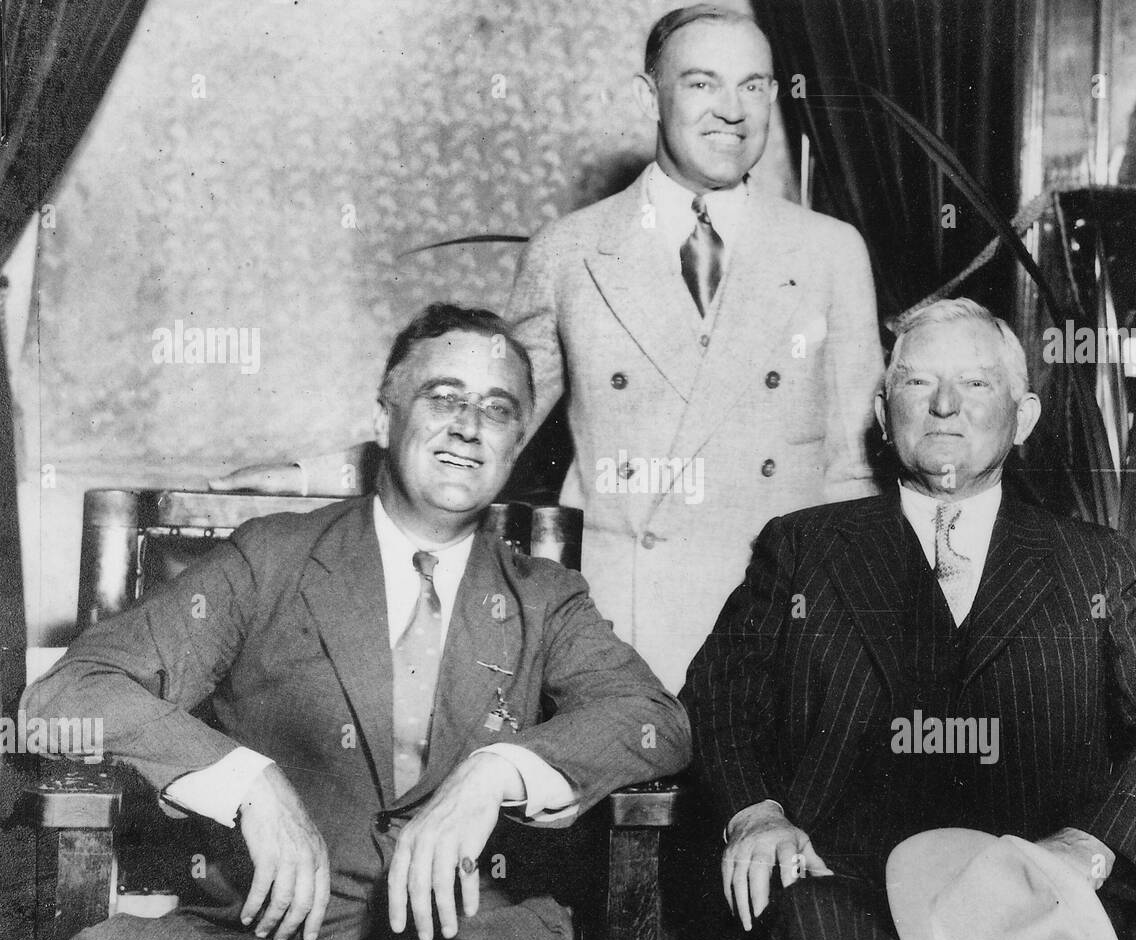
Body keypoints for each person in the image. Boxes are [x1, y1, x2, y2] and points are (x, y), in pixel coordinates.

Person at [212, 5, 884, 694]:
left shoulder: (830, 252)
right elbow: (488, 421)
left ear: (775, 96)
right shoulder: (569, 252)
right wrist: (307, 474)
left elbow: (854, 471)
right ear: (649, 97)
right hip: (629, 631)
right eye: (703, 84)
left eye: (753, 86)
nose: (732, 110)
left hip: (781, 629)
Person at [22, 303, 690, 940]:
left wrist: (496, 771)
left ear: (516, 443)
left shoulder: (544, 597)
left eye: (497, 409)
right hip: (258, 937)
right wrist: (246, 782)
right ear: (383, 417)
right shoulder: (270, 560)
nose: (468, 427)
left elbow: (652, 718)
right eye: (443, 396)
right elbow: (70, 691)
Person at [681, 298, 1136, 940]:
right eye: (918, 382)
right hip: (837, 896)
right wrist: (755, 814)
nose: (944, 405)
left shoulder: (1092, 561)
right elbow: (718, 696)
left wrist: (1093, 841)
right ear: (883, 416)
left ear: (1022, 418)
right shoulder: (805, 547)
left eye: (976, 383)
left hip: (1027, 910)